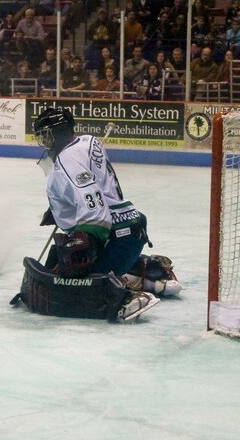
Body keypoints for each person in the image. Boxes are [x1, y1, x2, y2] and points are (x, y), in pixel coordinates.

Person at [12, 108, 180, 321]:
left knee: (75, 280)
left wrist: (83, 243)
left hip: (117, 233)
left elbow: (95, 211)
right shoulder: (88, 141)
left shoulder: (66, 161)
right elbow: (97, 186)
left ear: (55, 133)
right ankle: (149, 271)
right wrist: (63, 208)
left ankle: (126, 296)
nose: (43, 141)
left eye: (45, 135)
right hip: (129, 224)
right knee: (67, 259)